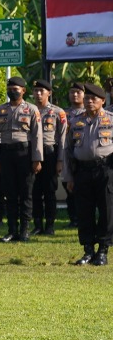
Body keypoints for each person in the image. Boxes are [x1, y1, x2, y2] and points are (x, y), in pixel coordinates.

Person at [64, 84, 113, 265]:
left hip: (106, 170)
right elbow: (68, 150)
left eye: (93, 99)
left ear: (103, 101)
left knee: (107, 211)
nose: (89, 101)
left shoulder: (111, 119)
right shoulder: (76, 121)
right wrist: (68, 177)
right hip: (82, 171)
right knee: (84, 212)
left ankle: (102, 250)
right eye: (87, 99)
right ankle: (88, 250)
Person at [0, 76, 42, 242]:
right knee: (10, 193)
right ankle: (12, 230)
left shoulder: (32, 110)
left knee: (26, 193)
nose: (12, 91)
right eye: (10, 88)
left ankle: (25, 230)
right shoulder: (0, 110)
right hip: (6, 154)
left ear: (23, 91)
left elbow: (37, 135)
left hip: (24, 154)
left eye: (16, 88)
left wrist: (37, 158)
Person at [33, 80, 67, 237]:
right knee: (34, 191)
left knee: (49, 191)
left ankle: (50, 225)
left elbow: (62, 138)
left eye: (42, 91)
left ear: (49, 93)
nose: (38, 94)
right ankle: (37, 224)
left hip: (50, 153)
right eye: (36, 91)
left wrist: (60, 160)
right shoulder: (29, 110)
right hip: (32, 154)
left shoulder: (58, 112)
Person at [65, 82, 87, 230]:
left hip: (83, 154)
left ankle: (83, 218)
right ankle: (73, 218)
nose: (75, 95)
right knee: (69, 188)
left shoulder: (91, 112)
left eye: (78, 92)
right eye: (72, 92)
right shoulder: (63, 113)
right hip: (68, 153)